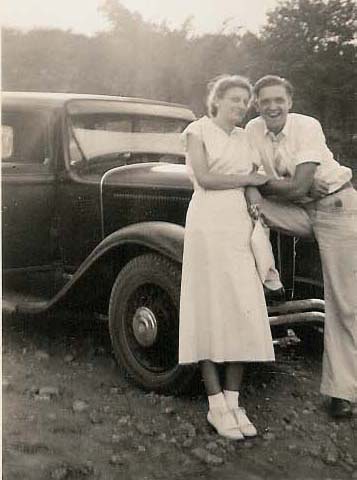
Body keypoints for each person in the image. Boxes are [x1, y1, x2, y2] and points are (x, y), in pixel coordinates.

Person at [245, 75, 357, 419]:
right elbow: (247, 176)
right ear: (257, 105)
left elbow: (299, 186)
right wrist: (252, 192)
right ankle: (268, 282)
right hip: (297, 211)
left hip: (335, 207)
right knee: (241, 213)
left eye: (278, 100)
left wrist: (260, 185)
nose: (272, 107)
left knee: (345, 302)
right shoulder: (252, 130)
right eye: (265, 102)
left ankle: (343, 392)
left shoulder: (307, 126)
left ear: (289, 102)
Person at [179, 75, 276, 440]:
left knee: (241, 306)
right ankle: (215, 403)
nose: (239, 107)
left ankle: (234, 400)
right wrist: (247, 179)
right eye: (233, 99)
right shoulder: (197, 130)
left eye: (244, 102)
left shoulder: (245, 137)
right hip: (207, 223)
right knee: (208, 307)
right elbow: (204, 177)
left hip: (238, 225)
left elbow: (254, 182)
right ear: (216, 99)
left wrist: (255, 202)